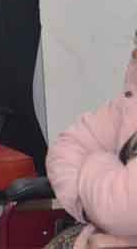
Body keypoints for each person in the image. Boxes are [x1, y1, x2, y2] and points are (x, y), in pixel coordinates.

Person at [46, 46, 137, 248]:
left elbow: (122, 207)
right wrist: (86, 207)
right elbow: (68, 145)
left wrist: (95, 162)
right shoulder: (130, 101)